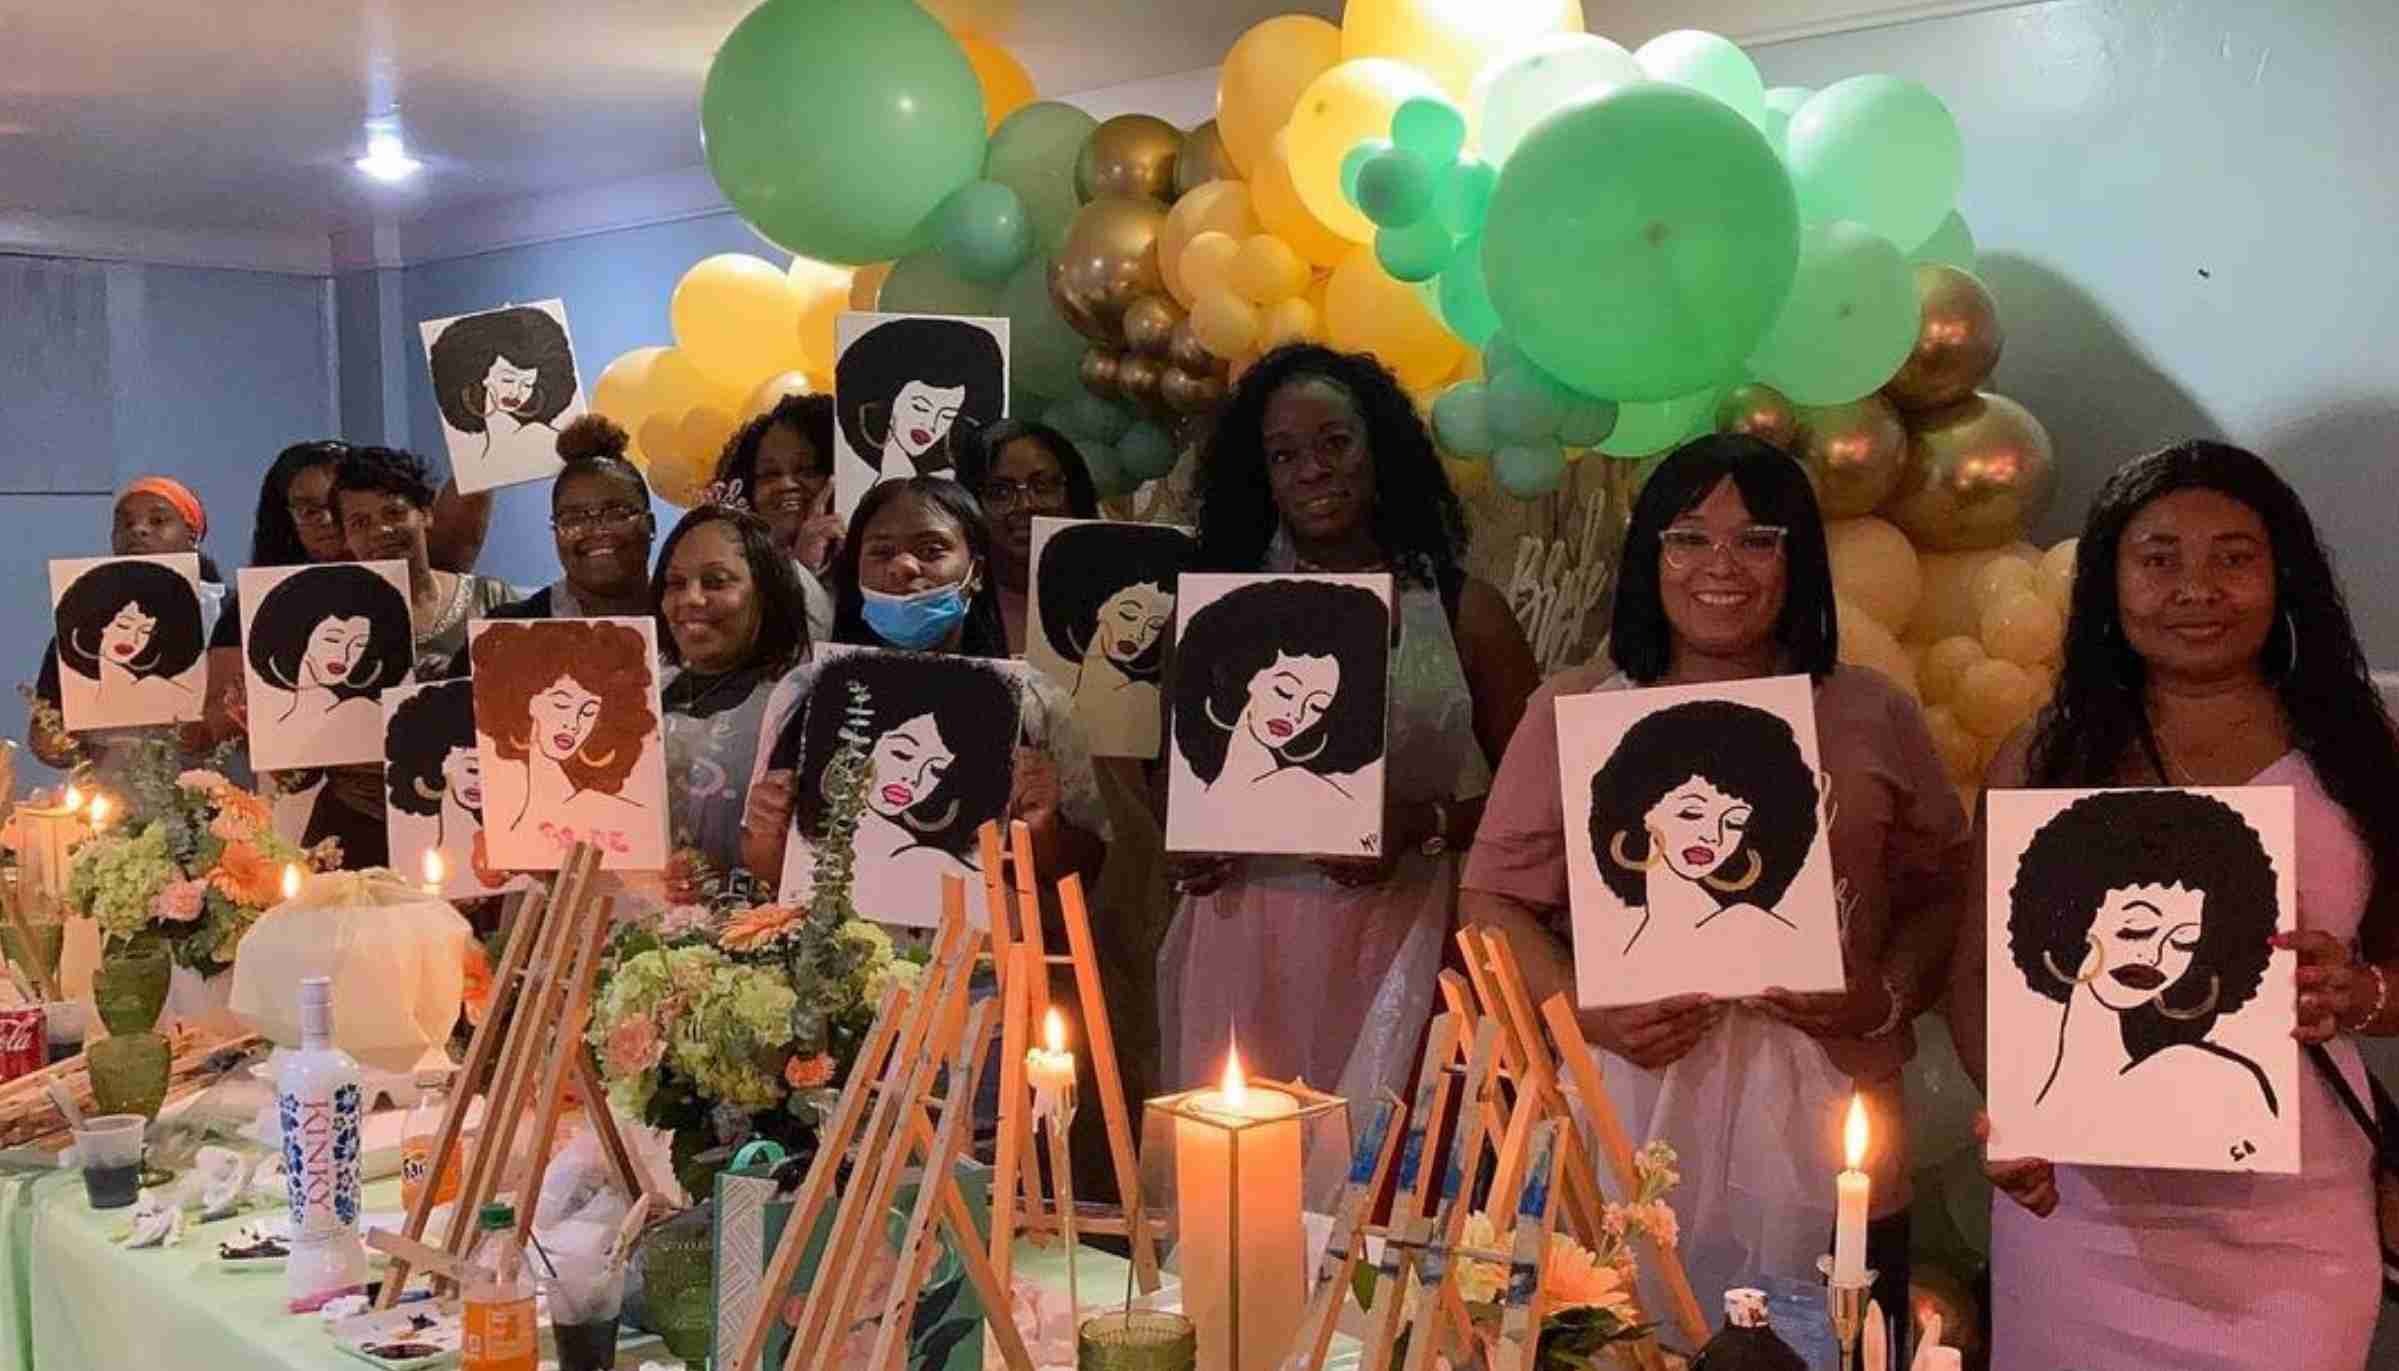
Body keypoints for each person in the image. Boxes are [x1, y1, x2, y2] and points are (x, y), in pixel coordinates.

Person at [1462, 433, 1967, 1331]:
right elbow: (1492, 897)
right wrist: (1581, 1005)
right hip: (1630, 1096)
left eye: (1756, 538)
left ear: (1797, 559)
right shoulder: (1573, 708)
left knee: (1828, 1337)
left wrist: (1882, 997)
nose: (1719, 565)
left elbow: (1942, 890)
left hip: (1834, 1106)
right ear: (1648, 556)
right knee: (1624, 1339)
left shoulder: (1870, 710)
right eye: (1687, 537)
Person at [1950, 440, 2399, 1371]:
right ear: (2110, 583)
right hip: (2079, 1221)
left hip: (2295, 1226)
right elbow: (1976, 986)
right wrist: (2018, 1112)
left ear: (2283, 578)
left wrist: (2356, 995)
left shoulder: (2361, 749)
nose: (2195, 587)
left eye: (2232, 558)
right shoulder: (2041, 758)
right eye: (2158, 559)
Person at [1158, 343, 1540, 1117]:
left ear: (1380, 450)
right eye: (1283, 453)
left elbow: (1538, 803)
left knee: (1378, 1176)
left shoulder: (1465, 611)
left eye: (1335, 442)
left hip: (1405, 935)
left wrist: (1425, 825)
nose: (1312, 469)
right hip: (1241, 935)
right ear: (1257, 474)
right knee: (1234, 1183)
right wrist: (1189, 843)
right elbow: (1171, 788)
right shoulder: (1211, 615)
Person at [743, 477, 1107, 892]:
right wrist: (765, 832)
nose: (904, 567)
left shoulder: (1038, 702)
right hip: (831, 953)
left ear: (977, 571)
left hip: (983, 952)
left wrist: (1042, 826)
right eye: (881, 552)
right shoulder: (801, 692)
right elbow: (767, 872)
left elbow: (1087, 873)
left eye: (932, 550)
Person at [200, 440, 493, 745]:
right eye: (308, 511)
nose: (327, 521)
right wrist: (250, 712)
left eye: (335, 507)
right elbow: (215, 727)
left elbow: (467, 519)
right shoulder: (258, 610)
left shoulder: (455, 588)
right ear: (286, 519)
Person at [651, 503, 813, 887]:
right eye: (675, 583)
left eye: (716, 581)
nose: (691, 598)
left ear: (768, 593)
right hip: (626, 933)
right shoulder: (641, 692)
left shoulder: (799, 704)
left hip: (750, 937)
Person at [29, 477, 226, 774]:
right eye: (125, 523)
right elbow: (46, 731)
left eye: (158, 520)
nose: (138, 529)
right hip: (111, 797)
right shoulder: (78, 626)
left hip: (217, 795)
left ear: (192, 535)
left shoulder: (227, 614)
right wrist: (52, 743)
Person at [956, 419, 1102, 654]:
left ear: (1075, 492)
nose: (1026, 505)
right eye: (1000, 492)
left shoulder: (1120, 594)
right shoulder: (951, 607)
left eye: (1043, 485)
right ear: (970, 504)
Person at [831, 317, 1007, 497]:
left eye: (947, 416)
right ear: (889, 401)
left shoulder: (952, 486)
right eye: (920, 407)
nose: (931, 425)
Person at [712, 394, 847, 588]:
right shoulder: (728, 578)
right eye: (769, 474)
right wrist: (803, 569)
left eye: (807, 470)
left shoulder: (867, 560)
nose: (785, 484)